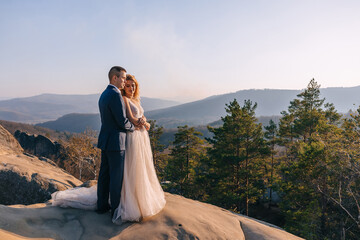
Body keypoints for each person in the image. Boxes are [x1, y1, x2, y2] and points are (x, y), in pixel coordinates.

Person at [51, 68, 166, 224]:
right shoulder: (116, 95)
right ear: (114, 78)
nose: (125, 81)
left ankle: (102, 206)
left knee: (104, 175)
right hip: (116, 142)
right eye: (123, 78)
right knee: (116, 178)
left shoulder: (105, 94)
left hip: (106, 140)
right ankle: (116, 211)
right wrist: (135, 128)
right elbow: (122, 121)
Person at [112, 74, 166, 222]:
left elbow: (142, 117)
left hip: (142, 137)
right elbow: (130, 118)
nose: (131, 88)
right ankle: (134, 202)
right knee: (134, 167)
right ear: (124, 87)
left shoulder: (136, 99)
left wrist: (145, 121)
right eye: (128, 85)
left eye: (133, 85)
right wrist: (140, 121)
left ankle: (143, 196)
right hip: (134, 137)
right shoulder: (125, 99)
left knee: (144, 166)